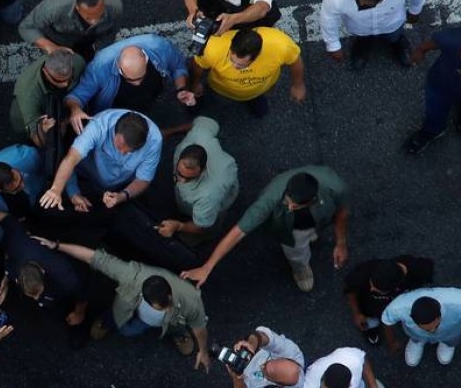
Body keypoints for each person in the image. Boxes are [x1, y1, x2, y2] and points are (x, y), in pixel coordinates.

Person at [183, 166, 349, 293]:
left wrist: (340, 242)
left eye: (295, 205)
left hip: (317, 221)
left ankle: (311, 234)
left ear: (312, 200)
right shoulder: (270, 198)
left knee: (312, 231)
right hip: (290, 229)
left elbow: (341, 212)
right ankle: (300, 266)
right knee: (296, 249)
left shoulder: (335, 187)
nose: (289, 207)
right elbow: (238, 232)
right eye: (288, 201)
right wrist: (208, 266)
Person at [50, 239, 210, 367]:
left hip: (174, 320)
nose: (167, 308)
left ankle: (178, 333)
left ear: (169, 293)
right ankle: (109, 320)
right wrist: (57, 245)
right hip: (130, 309)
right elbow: (95, 258)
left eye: (166, 303)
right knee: (126, 329)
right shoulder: (130, 275)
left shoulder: (191, 298)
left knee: (176, 322)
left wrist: (203, 350)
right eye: (160, 307)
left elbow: (199, 327)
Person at [40, 109, 161, 212]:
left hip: (117, 187)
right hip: (82, 175)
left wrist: (121, 196)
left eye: (129, 151)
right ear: (114, 132)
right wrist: (56, 189)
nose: (122, 153)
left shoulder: (154, 141)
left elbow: (143, 179)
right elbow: (71, 159)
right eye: (118, 147)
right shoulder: (99, 125)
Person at [64, 35, 190, 121]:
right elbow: (76, 96)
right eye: (130, 80)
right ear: (118, 66)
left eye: (141, 77)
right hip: (116, 109)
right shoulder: (99, 67)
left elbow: (178, 67)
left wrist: (181, 89)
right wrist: (75, 110)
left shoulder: (161, 46)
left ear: (146, 59)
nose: (138, 84)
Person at [319, 0, 426, 68]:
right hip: (360, 28)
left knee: (394, 36)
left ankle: (397, 43)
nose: (360, 4)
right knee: (363, 39)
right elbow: (328, 18)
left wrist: (415, 11)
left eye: (365, 4)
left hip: (392, 24)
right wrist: (333, 45)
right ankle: (362, 47)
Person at [188, 27, 306, 118]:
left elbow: (295, 61)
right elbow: (197, 66)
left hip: (257, 91)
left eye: (241, 65)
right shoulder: (213, 48)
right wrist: (195, 85)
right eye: (232, 60)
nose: (234, 67)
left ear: (257, 56)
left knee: (259, 110)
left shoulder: (280, 46)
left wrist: (298, 85)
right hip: (219, 88)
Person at [158, 117, 239, 242]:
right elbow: (204, 122)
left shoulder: (209, 195)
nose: (181, 181)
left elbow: (201, 226)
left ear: (204, 170)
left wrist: (179, 226)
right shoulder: (199, 134)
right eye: (179, 173)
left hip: (217, 201)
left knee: (208, 225)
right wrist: (167, 132)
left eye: (189, 178)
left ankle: (205, 237)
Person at [343, 255, 435, 348]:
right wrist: (357, 313)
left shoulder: (418, 269)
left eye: (377, 289)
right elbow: (351, 290)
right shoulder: (364, 271)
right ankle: (371, 327)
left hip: (399, 299)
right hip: (370, 307)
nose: (371, 288)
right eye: (372, 284)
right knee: (369, 317)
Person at [19, 0, 124, 60]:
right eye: (88, 18)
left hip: (89, 39)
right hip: (59, 39)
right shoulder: (54, 7)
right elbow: (26, 27)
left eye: (100, 15)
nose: (95, 22)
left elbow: (111, 32)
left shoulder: (115, 7)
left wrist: (100, 49)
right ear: (77, 8)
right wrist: (51, 48)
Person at [380, 288, 461, 366]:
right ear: (410, 316)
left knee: (452, 339)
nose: (432, 331)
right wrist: (391, 341)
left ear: (439, 311)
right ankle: (417, 341)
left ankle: (448, 344)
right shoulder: (398, 308)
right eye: (426, 328)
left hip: (452, 333)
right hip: (416, 334)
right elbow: (386, 320)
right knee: (416, 336)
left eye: (436, 325)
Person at [9, 49, 85, 149]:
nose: (65, 84)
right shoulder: (29, 94)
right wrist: (42, 129)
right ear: (45, 71)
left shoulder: (77, 62)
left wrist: (71, 114)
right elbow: (39, 141)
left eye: (69, 78)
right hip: (26, 118)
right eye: (58, 80)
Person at [226, 326, 305, 388]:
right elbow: (267, 337)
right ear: (283, 358)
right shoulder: (293, 352)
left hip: (247, 386)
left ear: (279, 384)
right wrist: (251, 344)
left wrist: (237, 378)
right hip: (247, 357)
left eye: (266, 372)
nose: (262, 366)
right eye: (269, 362)